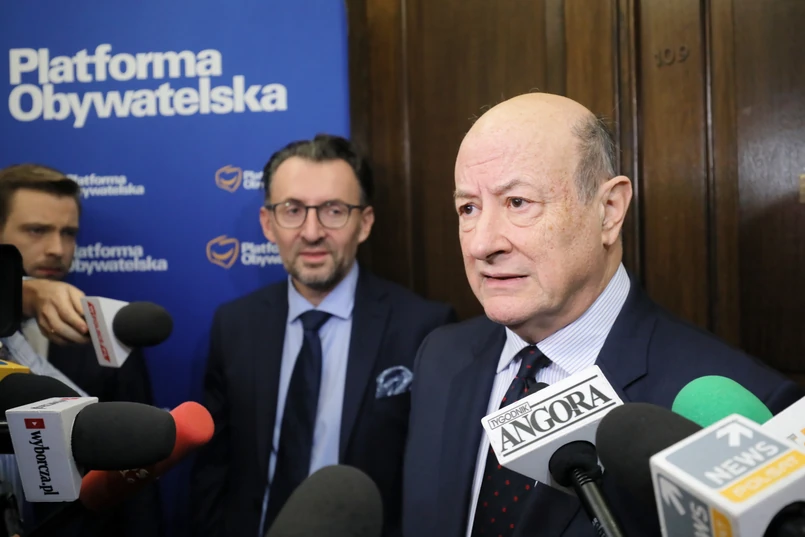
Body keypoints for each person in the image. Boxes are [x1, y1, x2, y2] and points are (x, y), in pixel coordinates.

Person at [401, 93, 805, 537]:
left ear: (609, 210)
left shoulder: (739, 412)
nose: (482, 244)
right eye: (468, 208)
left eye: (517, 202)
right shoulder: (440, 356)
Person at [190, 134, 456, 537]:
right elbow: (213, 469)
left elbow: (434, 481)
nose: (312, 232)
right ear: (268, 223)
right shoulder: (234, 325)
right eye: (293, 210)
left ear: (364, 223)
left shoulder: (424, 328)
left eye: (334, 210)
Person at [0, 164, 164, 536]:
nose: (57, 249)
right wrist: (22, 292)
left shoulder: (107, 333)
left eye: (68, 233)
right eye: (36, 230)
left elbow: (136, 482)